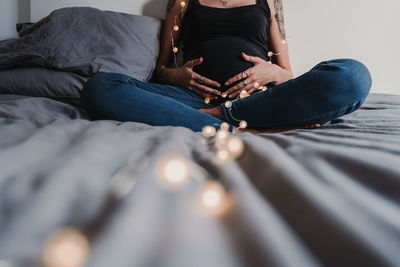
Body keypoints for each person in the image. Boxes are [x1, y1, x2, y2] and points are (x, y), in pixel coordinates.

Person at [80, 0, 372, 133]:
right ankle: (244, 124)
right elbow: (160, 70)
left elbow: (288, 76)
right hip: (192, 98)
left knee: (353, 76)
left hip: (259, 97)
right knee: (100, 88)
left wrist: (272, 71)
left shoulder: (269, 1)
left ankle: (216, 118)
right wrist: (177, 75)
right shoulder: (181, 2)